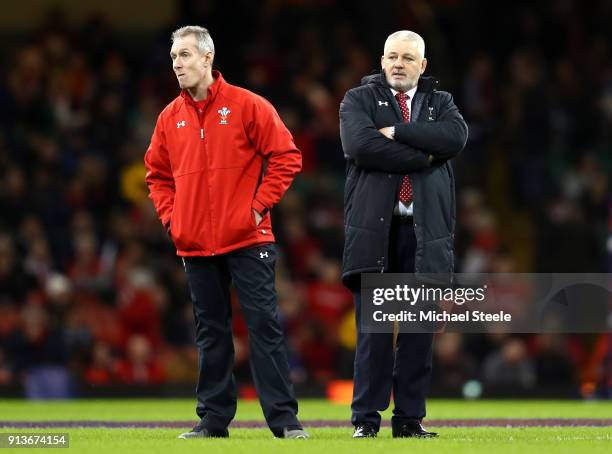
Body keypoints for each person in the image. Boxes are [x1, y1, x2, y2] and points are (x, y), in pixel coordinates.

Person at [144, 25, 308, 440]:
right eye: (174, 58)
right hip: (195, 243)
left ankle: (285, 422)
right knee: (210, 332)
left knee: (264, 327)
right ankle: (213, 421)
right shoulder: (169, 118)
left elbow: (287, 156)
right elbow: (157, 176)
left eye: (184, 55)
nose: (177, 64)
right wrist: (172, 219)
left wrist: (256, 208)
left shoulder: (247, 105)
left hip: (249, 239)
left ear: (207, 58)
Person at [339, 30, 468, 438]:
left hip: (424, 234)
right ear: (381, 61)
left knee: (417, 334)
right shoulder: (357, 100)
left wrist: (398, 133)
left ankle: (409, 419)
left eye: (407, 58)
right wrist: (426, 155)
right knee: (374, 335)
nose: (398, 63)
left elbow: (456, 138)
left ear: (422, 65)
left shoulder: (441, 102)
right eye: (392, 56)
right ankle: (366, 420)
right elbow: (360, 146)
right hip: (376, 232)